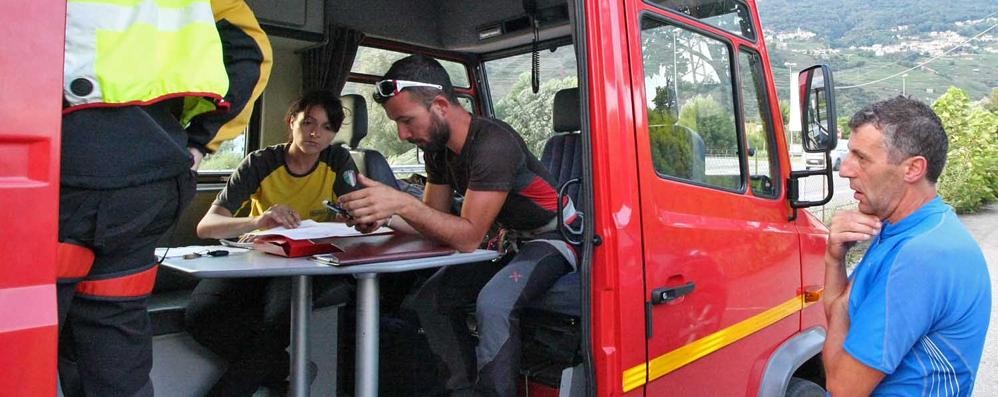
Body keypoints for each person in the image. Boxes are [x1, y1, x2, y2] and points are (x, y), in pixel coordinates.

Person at [56, 1, 271, 395]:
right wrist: (199, 142)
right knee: (114, 338)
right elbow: (252, 53)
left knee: (22, 335)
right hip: (148, 182)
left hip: (54, 167)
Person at [337, 54, 580, 396]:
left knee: (494, 303)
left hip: (555, 238)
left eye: (407, 120)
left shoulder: (493, 144)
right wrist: (383, 217)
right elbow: (433, 220)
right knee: (430, 298)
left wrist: (402, 202)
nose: (402, 134)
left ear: (439, 105)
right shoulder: (438, 149)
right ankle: (461, 390)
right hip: (508, 240)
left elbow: (466, 237)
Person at [184, 90, 367, 396]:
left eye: (326, 127)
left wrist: (347, 219)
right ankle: (286, 369)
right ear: (291, 122)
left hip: (308, 263)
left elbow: (356, 213)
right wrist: (257, 222)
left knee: (277, 323)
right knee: (200, 317)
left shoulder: (338, 160)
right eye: (308, 122)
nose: (315, 133)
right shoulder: (260, 162)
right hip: (258, 258)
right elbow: (207, 227)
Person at [822, 96, 991, 396]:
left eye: (861, 158)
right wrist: (835, 260)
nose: (845, 170)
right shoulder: (901, 229)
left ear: (913, 169)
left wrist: (842, 303)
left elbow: (842, 386)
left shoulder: (921, 255)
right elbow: (845, 325)